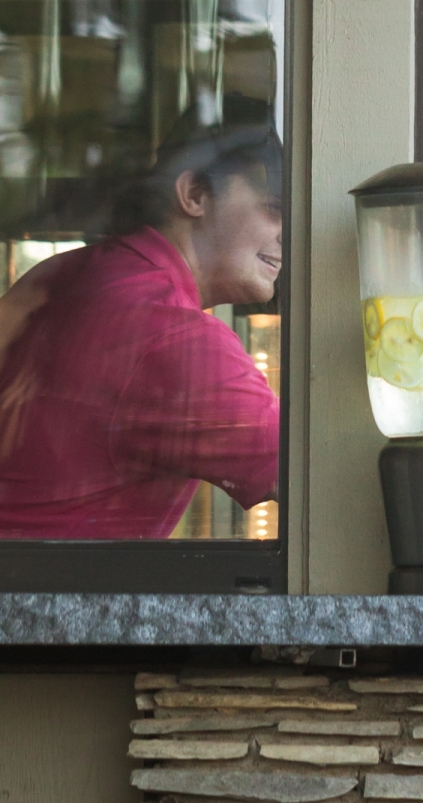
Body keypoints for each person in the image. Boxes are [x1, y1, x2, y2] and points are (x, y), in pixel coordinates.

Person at [0, 116, 284, 538]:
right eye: (275, 209)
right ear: (194, 194)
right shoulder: (170, 332)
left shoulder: (67, 272)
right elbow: (314, 473)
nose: (289, 233)